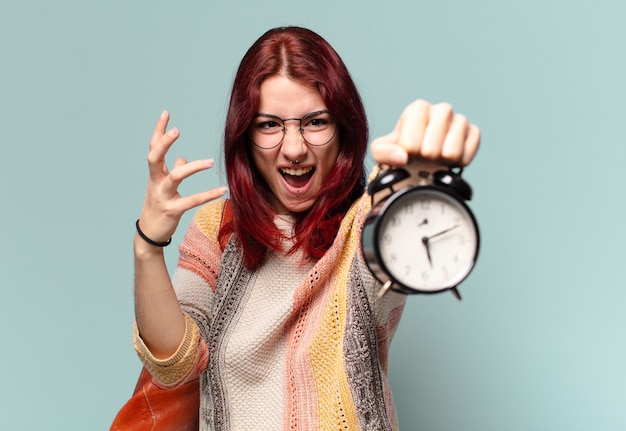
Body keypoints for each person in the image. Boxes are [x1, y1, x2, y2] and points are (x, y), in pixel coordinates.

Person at [131, 26, 480, 431]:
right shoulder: (217, 226)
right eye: (269, 125)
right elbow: (177, 366)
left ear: (343, 129)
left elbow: (395, 235)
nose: (294, 148)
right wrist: (148, 246)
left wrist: (417, 179)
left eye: (315, 122)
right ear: (244, 136)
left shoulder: (363, 224)